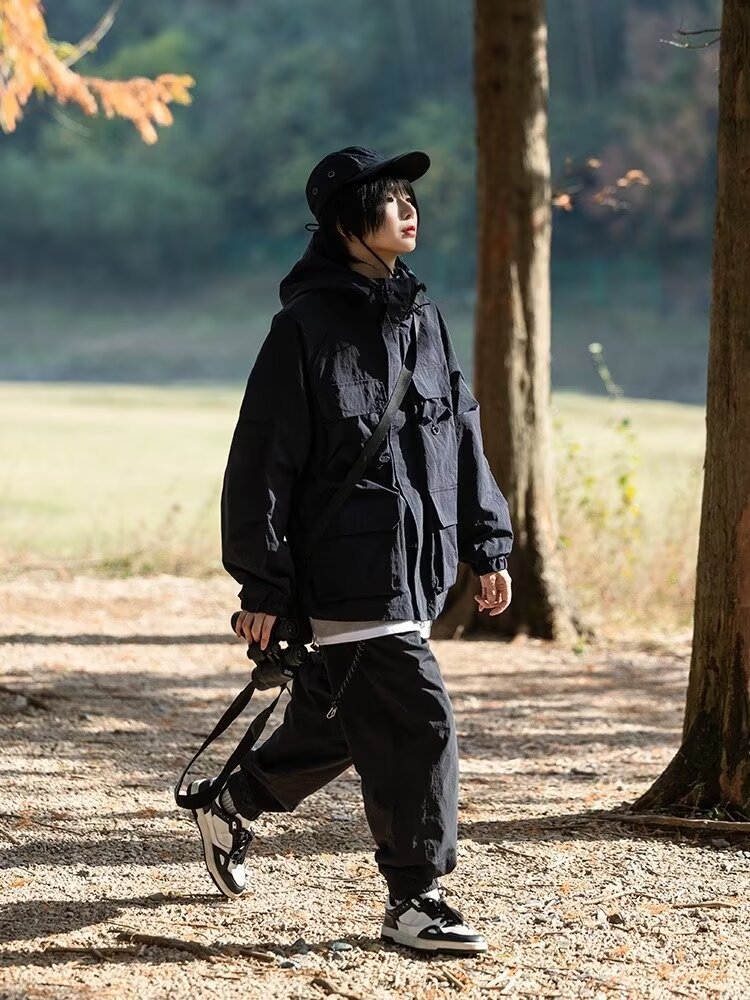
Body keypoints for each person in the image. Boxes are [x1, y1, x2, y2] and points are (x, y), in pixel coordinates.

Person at [188, 146, 514, 955]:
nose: (408, 209)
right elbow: (261, 461)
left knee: (338, 721)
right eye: (388, 199)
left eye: (410, 197)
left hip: (420, 564)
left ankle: (232, 803)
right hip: (348, 568)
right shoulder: (302, 329)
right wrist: (262, 587)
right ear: (345, 223)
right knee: (417, 720)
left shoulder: (423, 317)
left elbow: (461, 430)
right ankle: (416, 899)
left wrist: (487, 541)